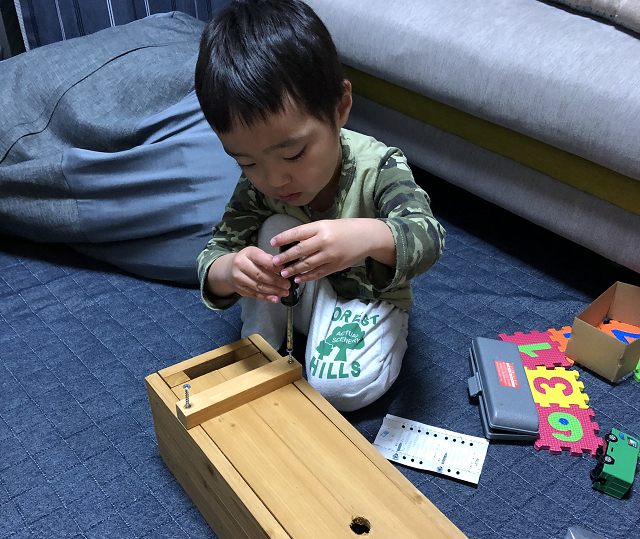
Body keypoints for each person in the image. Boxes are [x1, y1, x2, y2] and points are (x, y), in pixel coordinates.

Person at [194, 0, 446, 411]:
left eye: (293, 154)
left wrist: (366, 236)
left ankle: (378, 335)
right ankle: (264, 340)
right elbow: (215, 251)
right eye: (247, 162)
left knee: (337, 390)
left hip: (364, 298)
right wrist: (231, 271)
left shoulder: (379, 166)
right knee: (272, 230)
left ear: (340, 107)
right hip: (298, 296)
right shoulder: (261, 184)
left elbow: (429, 236)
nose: (275, 180)